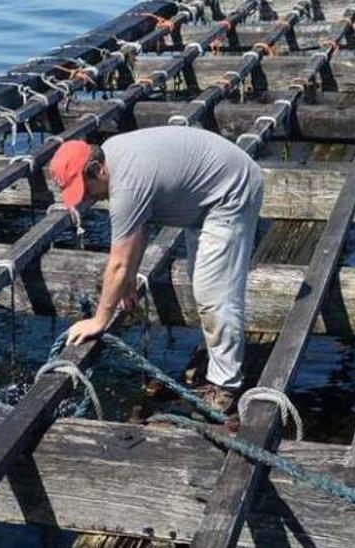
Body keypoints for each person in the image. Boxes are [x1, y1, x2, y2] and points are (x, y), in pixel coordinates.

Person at [49, 125, 264, 413]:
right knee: (202, 283)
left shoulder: (126, 183)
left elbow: (118, 262)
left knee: (214, 293)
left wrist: (100, 319)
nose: (87, 198)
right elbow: (139, 229)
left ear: (98, 168)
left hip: (231, 192)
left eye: (86, 189)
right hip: (209, 190)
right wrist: (125, 284)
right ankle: (217, 362)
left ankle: (225, 387)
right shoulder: (114, 155)